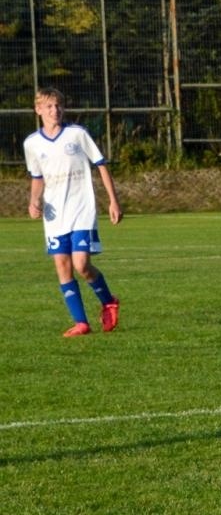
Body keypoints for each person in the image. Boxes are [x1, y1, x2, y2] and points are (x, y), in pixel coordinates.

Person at [24, 88, 123, 337]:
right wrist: (34, 200)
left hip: (82, 208)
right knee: (63, 266)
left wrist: (113, 201)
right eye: (48, 106)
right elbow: (37, 178)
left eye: (58, 105)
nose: (54, 110)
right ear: (38, 109)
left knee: (81, 264)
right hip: (54, 215)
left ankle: (108, 301)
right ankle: (81, 323)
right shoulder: (32, 143)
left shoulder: (77, 134)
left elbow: (100, 165)